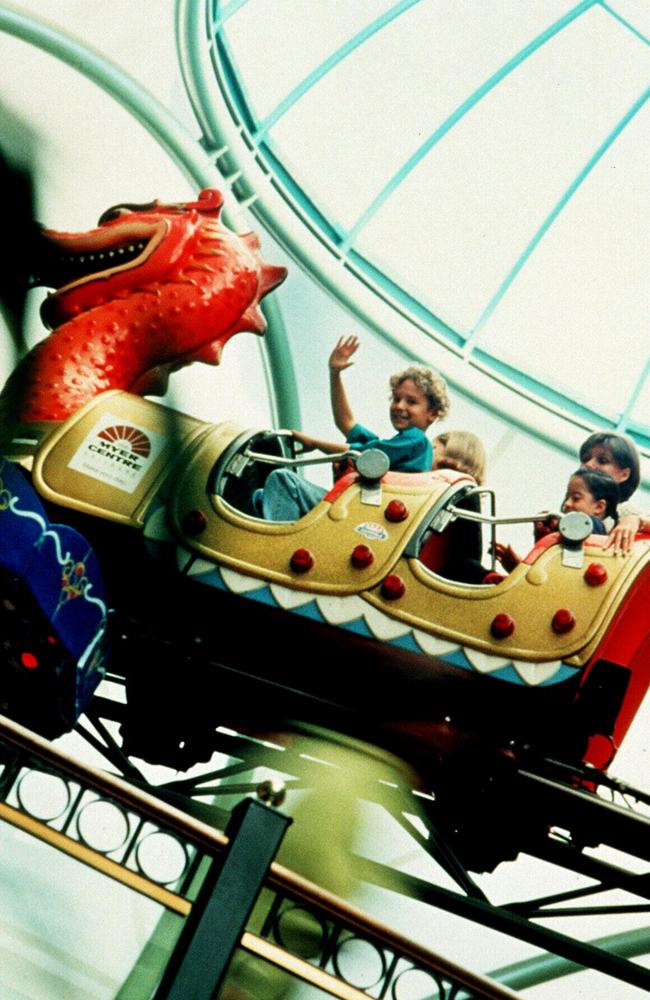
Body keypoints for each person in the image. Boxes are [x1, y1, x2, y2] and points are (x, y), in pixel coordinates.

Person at [253, 336, 450, 521]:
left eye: (411, 402)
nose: (399, 406)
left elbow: (360, 454)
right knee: (263, 497)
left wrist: (314, 442)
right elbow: (346, 422)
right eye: (397, 399)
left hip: (364, 513)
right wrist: (335, 373)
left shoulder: (416, 441)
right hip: (355, 508)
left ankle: (279, 546)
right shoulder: (393, 445)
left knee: (284, 481)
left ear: (432, 413)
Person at [495, 466, 620, 572]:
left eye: (576, 498)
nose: (567, 503)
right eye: (567, 497)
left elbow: (586, 526)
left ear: (599, 507)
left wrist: (557, 525)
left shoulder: (597, 530)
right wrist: (542, 535)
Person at [578, 431, 647, 553]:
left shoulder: (626, 510)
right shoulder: (576, 504)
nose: (588, 464)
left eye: (602, 461)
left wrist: (636, 520)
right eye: (585, 459)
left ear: (624, 474)